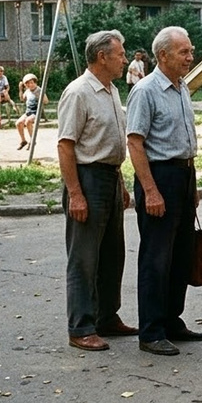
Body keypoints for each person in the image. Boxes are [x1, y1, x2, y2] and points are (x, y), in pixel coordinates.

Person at [126, 26, 202, 357]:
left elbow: (184, 142)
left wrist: (193, 185)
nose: (191, 57)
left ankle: (173, 321)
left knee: (180, 256)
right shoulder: (146, 91)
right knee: (156, 259)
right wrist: (151, 190)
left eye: (190, 51)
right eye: (184, 52)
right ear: (163, 56)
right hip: (159, 178)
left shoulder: (181, 86)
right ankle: (151, 331)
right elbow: (135, 142)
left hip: (183, 176)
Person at [57, 30, 137, 352]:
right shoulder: (78, 92)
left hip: (109, 177)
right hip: (87, 180)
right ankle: (81, 327)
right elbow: (66, 146)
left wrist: (120, 183)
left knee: (112, 255)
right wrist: (75, 194)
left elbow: (112, 143)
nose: (125, 59)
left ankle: (107, 317)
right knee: (84, 259)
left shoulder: (111, 90)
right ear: (102, 57)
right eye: (120, 54)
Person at [15, 73, 49, 150]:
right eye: (28, 84)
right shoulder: (27, 91)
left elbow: (46, 101)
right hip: (28, 112)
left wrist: (41, 96)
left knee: (28, 121)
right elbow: (22, 99)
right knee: (18, 123)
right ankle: (23, 141)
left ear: (35, 83)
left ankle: (32, 140)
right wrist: (20, 89)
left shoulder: (39, 90)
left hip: (36, 112)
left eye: (32, 83)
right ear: (26, 85)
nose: (31, 85)